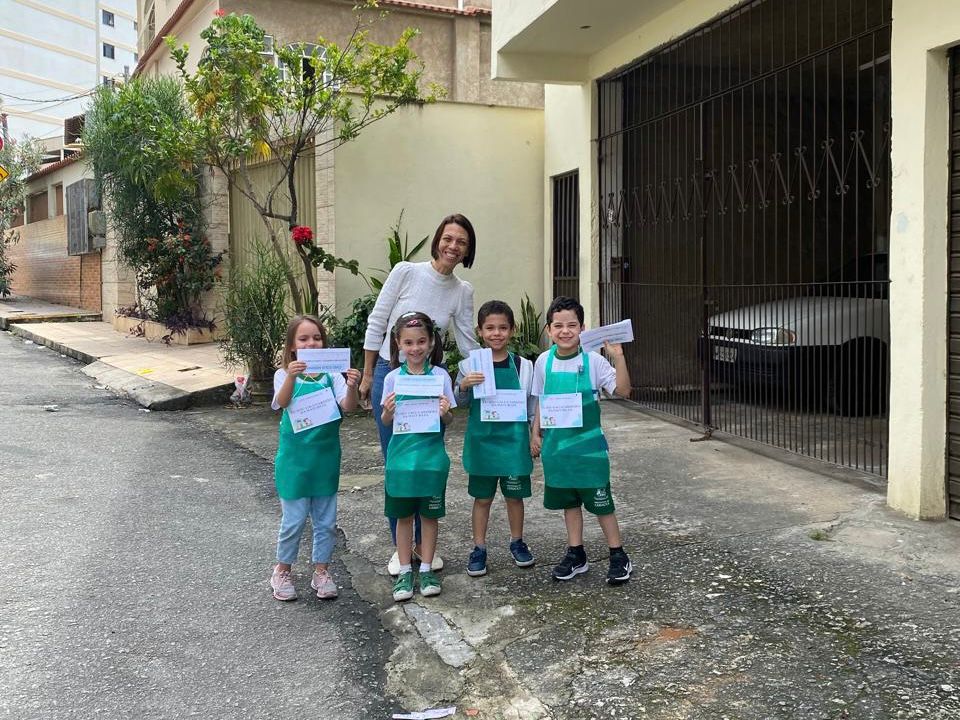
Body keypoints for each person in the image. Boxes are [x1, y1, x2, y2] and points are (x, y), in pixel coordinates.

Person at [359, 213, 480, 575]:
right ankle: (403, 550)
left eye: (461, 241)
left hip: (431, 384)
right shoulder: (405, 272)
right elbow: (377, 322)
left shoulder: (462, 291)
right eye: (448, 238)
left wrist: (487, 375)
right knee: (395, 460)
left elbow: (467, 342)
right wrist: (367, 374)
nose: (453, 246)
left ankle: (421, 548)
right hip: (389, 373)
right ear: (437, 239)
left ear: (468, 249)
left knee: (426, 461)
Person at [530, 296, 634, 585]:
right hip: (557, 451)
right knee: (570, 503)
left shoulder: (594, 360)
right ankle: (576, 553)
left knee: (602, 504)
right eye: (558, 325)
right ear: (549, 330)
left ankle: (618, 554)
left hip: (589, 452)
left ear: (582, 328)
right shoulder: (543, 361)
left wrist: (619, 357)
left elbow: (624, 390)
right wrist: (534, 433)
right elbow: (541, 400)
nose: (565, 331)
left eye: (572, 325)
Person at [269, 314, 361, 601]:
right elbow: (281, 403)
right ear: (292, 346)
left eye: (317, 338)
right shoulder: (283, 374)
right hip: (295, 462)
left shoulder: (332, 375)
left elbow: (348, 406)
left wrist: (353, 385)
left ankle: (321, 571)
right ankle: (282, 569)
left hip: (325, 459)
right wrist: (293, 376)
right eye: (304, 339)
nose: (312, 343)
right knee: (294, 520)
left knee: (326, 521)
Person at [379, 312, 458, 601]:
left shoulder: (439, 376)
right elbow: (387, 423)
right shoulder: (391, 379)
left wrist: (445, 412)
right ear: (399, 343)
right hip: (400, 462)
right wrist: (387, 412)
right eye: (409, 343)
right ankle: (404, 571)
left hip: (431, 460)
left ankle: (426, 567)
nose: (415, 348)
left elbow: (449, 420)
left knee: (429, 515)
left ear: (431, 342)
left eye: (421, 341)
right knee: (402, 516)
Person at [455, 300, 536, 577]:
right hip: (482, 444)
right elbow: (458, 401)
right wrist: (464, 386)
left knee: (515, 498)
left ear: (512, 330)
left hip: (514, 445)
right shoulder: (470, 365)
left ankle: (517, 541)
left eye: (503, 327)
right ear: (480, 331)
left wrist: (535, 436)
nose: (496, 333)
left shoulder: (523, 366)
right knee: (482, 499)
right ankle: (479, 547)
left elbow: (532, 405)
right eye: (490, 328)